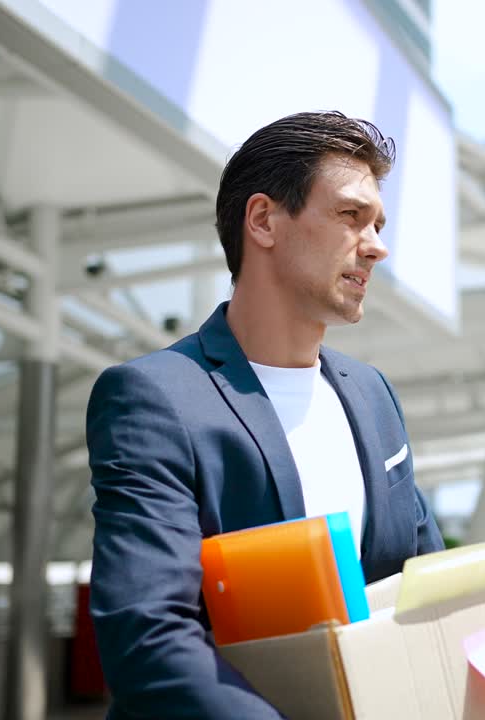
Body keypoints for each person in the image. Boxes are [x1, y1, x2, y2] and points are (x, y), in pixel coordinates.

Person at [85, 111, 445, 719]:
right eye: (351, 216)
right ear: (263, 221)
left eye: (379, 224)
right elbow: (148, 636)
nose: (377, 246)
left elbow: (426, 587)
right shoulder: (154, 397)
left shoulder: (373, 395)